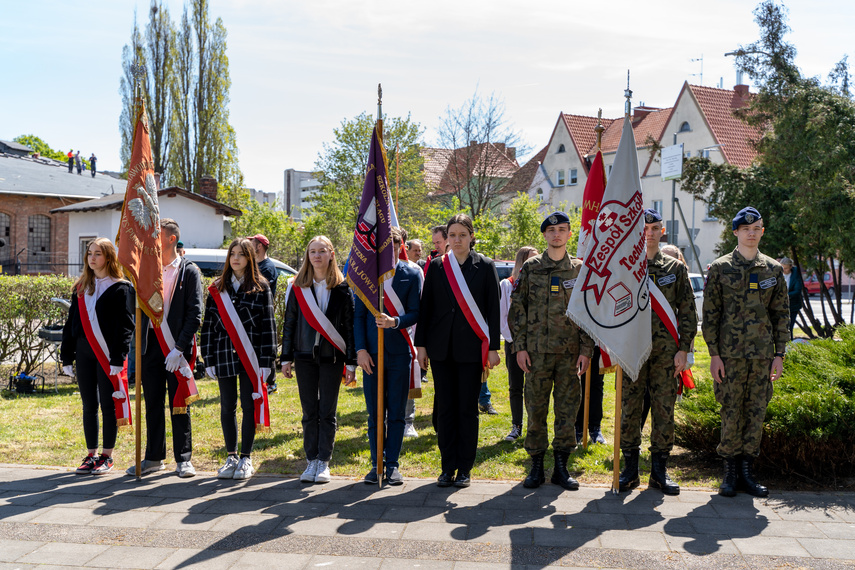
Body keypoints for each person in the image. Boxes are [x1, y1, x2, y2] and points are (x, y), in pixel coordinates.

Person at [703, 206, 788, 498]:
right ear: (736, 232)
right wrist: (714, 354)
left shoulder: (773, 269)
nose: (751, 234)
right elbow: (710, 316)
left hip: (763, 357)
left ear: (762, 232)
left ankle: (747, 472)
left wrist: (780, 354)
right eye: (746, 229)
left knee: (755, 413)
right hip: (729, 357)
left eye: (757, 229)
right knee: (730, 412)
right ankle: (729, 473)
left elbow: (781, 315)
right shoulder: (720, 268)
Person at [509, 211, 592, 490]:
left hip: (570, 354)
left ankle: (561, 467)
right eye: (552, 230)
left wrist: (586, 350)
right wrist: (519, 347)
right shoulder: (531, 267)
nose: (557, 234)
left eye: (563, 229)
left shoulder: (580, 270)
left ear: (570, 234)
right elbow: (517, 309)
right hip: (536, 354)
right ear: (544, 234)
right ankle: (535, 466)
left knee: (567, 412)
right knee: (536, 410)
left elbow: (589, 313)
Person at [416, 214, 501, 488]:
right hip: (440, 350)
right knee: (445, 410)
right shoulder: (438, 267)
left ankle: (464, 468)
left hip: (471, 350)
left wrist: (493, 349)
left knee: (467, 410)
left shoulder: (485, 266)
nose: (457, 240)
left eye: (462, 234)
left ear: (471, 236)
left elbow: (493, 310)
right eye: (452, 235)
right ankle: (446, 467)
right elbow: (425, 308)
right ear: (447, 238)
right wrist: (421, 346)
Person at [618, 209, 697, 495]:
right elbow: (614, 310)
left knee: (664, 411)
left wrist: (684, 350)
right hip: (633, 351)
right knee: (630, 410)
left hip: (666, 355)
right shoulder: (625, 267)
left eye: (654, 228)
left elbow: (688, 312)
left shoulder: (676, 269)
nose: (649, 233)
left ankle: (659, 471)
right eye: (644, 228)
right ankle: (629, 468)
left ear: (662, 232)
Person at [126, 218, 204, 478]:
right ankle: (153, 457)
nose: (151, 241)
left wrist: (179, 348)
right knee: (153, 403)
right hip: (150, 347)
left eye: (156, 236)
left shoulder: (188, 270)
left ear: (171, 239)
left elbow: (195, 314)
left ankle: (183, 458)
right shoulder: (146, 270)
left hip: (176, 348)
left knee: (179, 402)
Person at [281, 236, 356, 484]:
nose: (317, 256)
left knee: (327, 411)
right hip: (304, 358)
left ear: (331, 254)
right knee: (309, 411)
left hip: (332, 358)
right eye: (312, 251)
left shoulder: (343, 289)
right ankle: (311, 459)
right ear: (307, 256)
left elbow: (349, 328)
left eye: (322, 251)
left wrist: (352, 363)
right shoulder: (298, 287)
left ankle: (324, 461)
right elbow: (289, 322)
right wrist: (285, 357)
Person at [202, 238, 275, 480]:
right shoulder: (216, 288)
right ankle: (231, 456)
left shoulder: (261, 287)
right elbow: (209, 327)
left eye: (241, 254)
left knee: (247, 405)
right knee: (227, 406)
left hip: (251, 357)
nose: (235, 258)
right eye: (232, 253)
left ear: (250, 258)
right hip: (223, 355)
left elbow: (268, 327)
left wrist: (267, 362)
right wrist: (208, 358)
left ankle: (246, 457)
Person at [61, 238, 134, 475]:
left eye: (98, 254)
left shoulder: (121, 287)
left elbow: (125, 326)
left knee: (107, 405)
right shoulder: (81, 286)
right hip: (84, 352)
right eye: (89, 253)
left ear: (109, 257)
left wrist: (117, 358)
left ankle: (107, 456)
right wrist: (66, 357)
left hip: (107, 355)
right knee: (88, 405)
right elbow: (71, 324)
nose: (92, 258)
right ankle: (91, 454)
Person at [354, 228, 421, 485]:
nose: (389, 251)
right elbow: (359, 316)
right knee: (374, 414)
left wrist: (396, 321)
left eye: (393, 246)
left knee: (396, 413)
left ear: (399, 245)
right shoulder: (366, 276)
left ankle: (392, 464)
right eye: (383, 246)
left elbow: (416, 312)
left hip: (398, 352)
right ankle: (376, 464)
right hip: (370, 355)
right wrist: (360, 350)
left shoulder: (412, 273)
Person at [500, 246, 538, 442]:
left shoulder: (540, 283)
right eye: (531, 258)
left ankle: (534, 426)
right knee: (516, 386)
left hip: (536, 344)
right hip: (515, 343)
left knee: (535, 388)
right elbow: (503, 316)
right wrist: (515, 342)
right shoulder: (508, 284)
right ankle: (516, 426)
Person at [250, 234, 279, 393]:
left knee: (266, 347)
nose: (249, 245)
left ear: (259, 246)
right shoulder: (255, 265)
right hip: (254, 314)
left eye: (252, 242)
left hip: (263, 314)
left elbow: (259, 289)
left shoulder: (268, 268)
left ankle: (271, 383)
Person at [780, 257, 803, 339]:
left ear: (790, 266)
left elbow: (797, 291)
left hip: (792, 306)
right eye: (782, 267)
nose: (784, 270)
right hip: (779, 305)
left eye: (786, 268)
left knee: (789, 326)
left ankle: (789, 344)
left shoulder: (796, 275)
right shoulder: (778, 274)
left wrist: (785, 296)